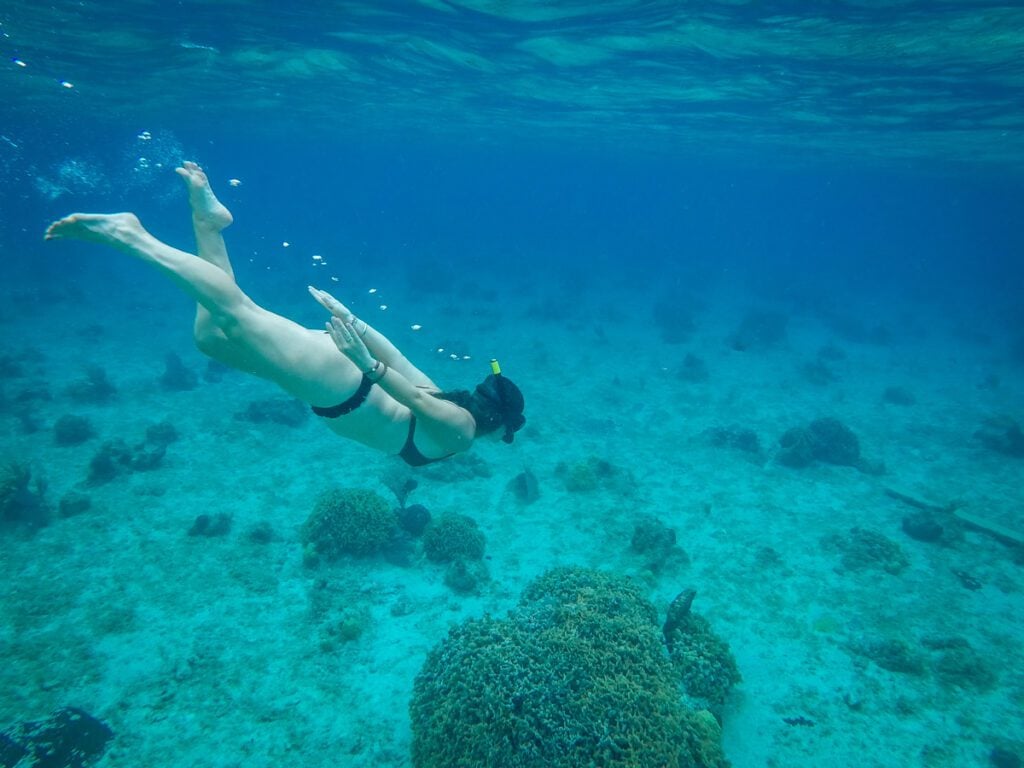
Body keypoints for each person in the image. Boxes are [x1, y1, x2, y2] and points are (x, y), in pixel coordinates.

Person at [44, 162, 525, 466]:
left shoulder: (449, 398)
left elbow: (399, 360)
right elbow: (408, 393)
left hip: (337, 383)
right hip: (340, 382)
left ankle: (208, 224)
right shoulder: (461, 433)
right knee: (237, 313)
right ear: (498, 423)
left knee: (211, 336)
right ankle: (133, 236)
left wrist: (355, 324)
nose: (501, 438)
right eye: (507, 433)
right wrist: (361, 356)